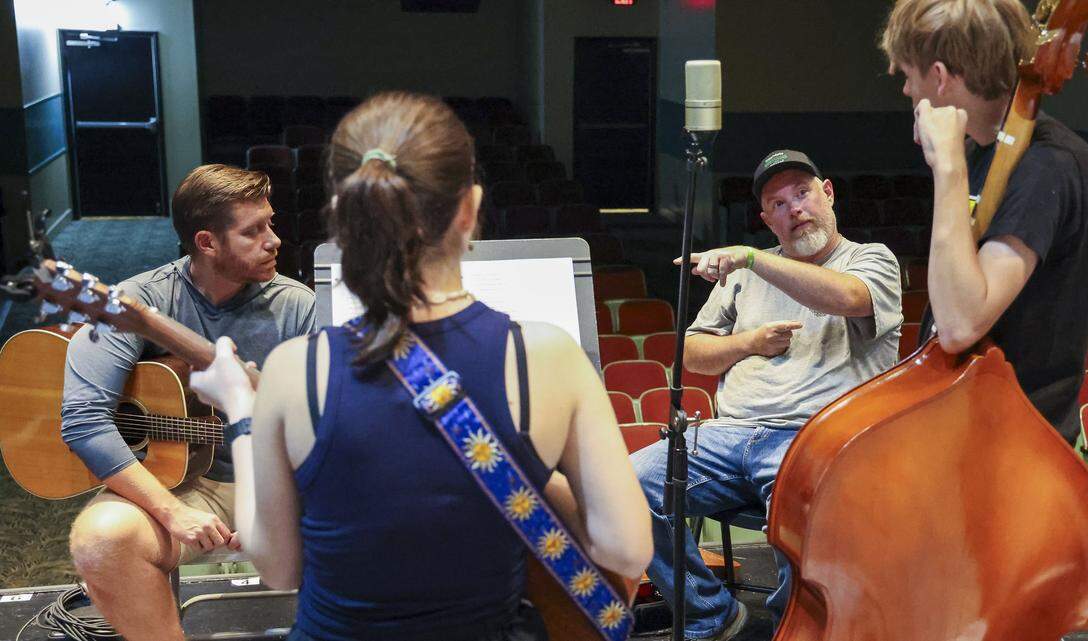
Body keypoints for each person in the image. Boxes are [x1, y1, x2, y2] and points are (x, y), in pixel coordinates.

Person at [187, 92, 653, 641]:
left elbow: (277, 568)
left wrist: (242, 407)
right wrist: (530, 467)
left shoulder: (295, 370)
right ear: (470, 208)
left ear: (342, 217)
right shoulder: (547, 355)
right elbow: (626, 548)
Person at [631, 149, 903, 640]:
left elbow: (848, 298)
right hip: (727, 434)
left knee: (804, 512)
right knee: (623, 486)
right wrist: (748, 343)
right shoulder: (742, 274)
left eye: (802, 193)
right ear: (766, 220)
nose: (794, 209)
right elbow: (692, 353)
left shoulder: (871, 259)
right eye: (778, 204)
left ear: (828, 193)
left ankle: (792, 629)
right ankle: (710, 613)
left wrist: (752, 258)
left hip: (817, 438)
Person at [62, 164, 316, 641]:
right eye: (253, 231)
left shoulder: (297, 305)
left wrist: (273, 505)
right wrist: (171, 511)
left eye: (271, 223)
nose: (274, 240)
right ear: (206, 242)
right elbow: (84, 420)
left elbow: (315, 424)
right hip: (186, 487)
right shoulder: (138, 300)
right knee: (100, 540)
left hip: (279, 480)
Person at [880, 0, 1088, 444]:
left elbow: (961, 323)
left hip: (1020, 453)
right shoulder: (986, 151)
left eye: (908, 76)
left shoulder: (1049, 167)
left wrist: (947, 168)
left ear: (941, 78)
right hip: (969, 431)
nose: (906, 91)